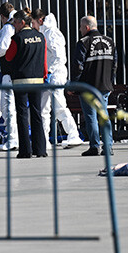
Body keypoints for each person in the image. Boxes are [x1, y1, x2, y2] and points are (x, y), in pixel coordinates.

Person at [31, 9, 83, 149]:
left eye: (33, 22)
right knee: (44, 109)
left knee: (59, 106)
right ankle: (44, 139)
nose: (32, 26)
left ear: (40, 20)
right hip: (49, 74)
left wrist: (51, 72)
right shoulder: (46, 32)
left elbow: (59, 56)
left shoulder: (52, 33)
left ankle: (73, 134)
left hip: (54, 74)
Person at [3, 10, 48, 158]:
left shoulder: (17, 38)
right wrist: (44, 74)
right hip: (37, 80)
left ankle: (25, 151)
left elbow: (9, 57)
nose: (14, 26)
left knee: (22, 115)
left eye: (15, 23)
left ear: (22, 22)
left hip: (21, 80)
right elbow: (44, 59)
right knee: (36, 114)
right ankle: (40, 149)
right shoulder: (41, 37)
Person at [74, 15, 118, 157]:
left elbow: (78, 66)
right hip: (105, 85)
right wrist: (110, 82)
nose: (80, 30)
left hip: (89, 87)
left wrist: (76, 85)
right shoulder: (109, 41)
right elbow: (115, 65)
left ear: (86, 27)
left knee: (91, 116)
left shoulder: (84, 42)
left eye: (81, 27)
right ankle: (108, 146)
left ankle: (94, 146)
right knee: (103, 115)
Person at [0, 2, 19, 151]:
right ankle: (16, 138)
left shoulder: (8, 27)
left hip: (9, 72)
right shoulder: (17, 23)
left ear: (2, 16)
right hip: (19, 71)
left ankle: (13, 139)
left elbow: (2, 48)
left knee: (7, 106)